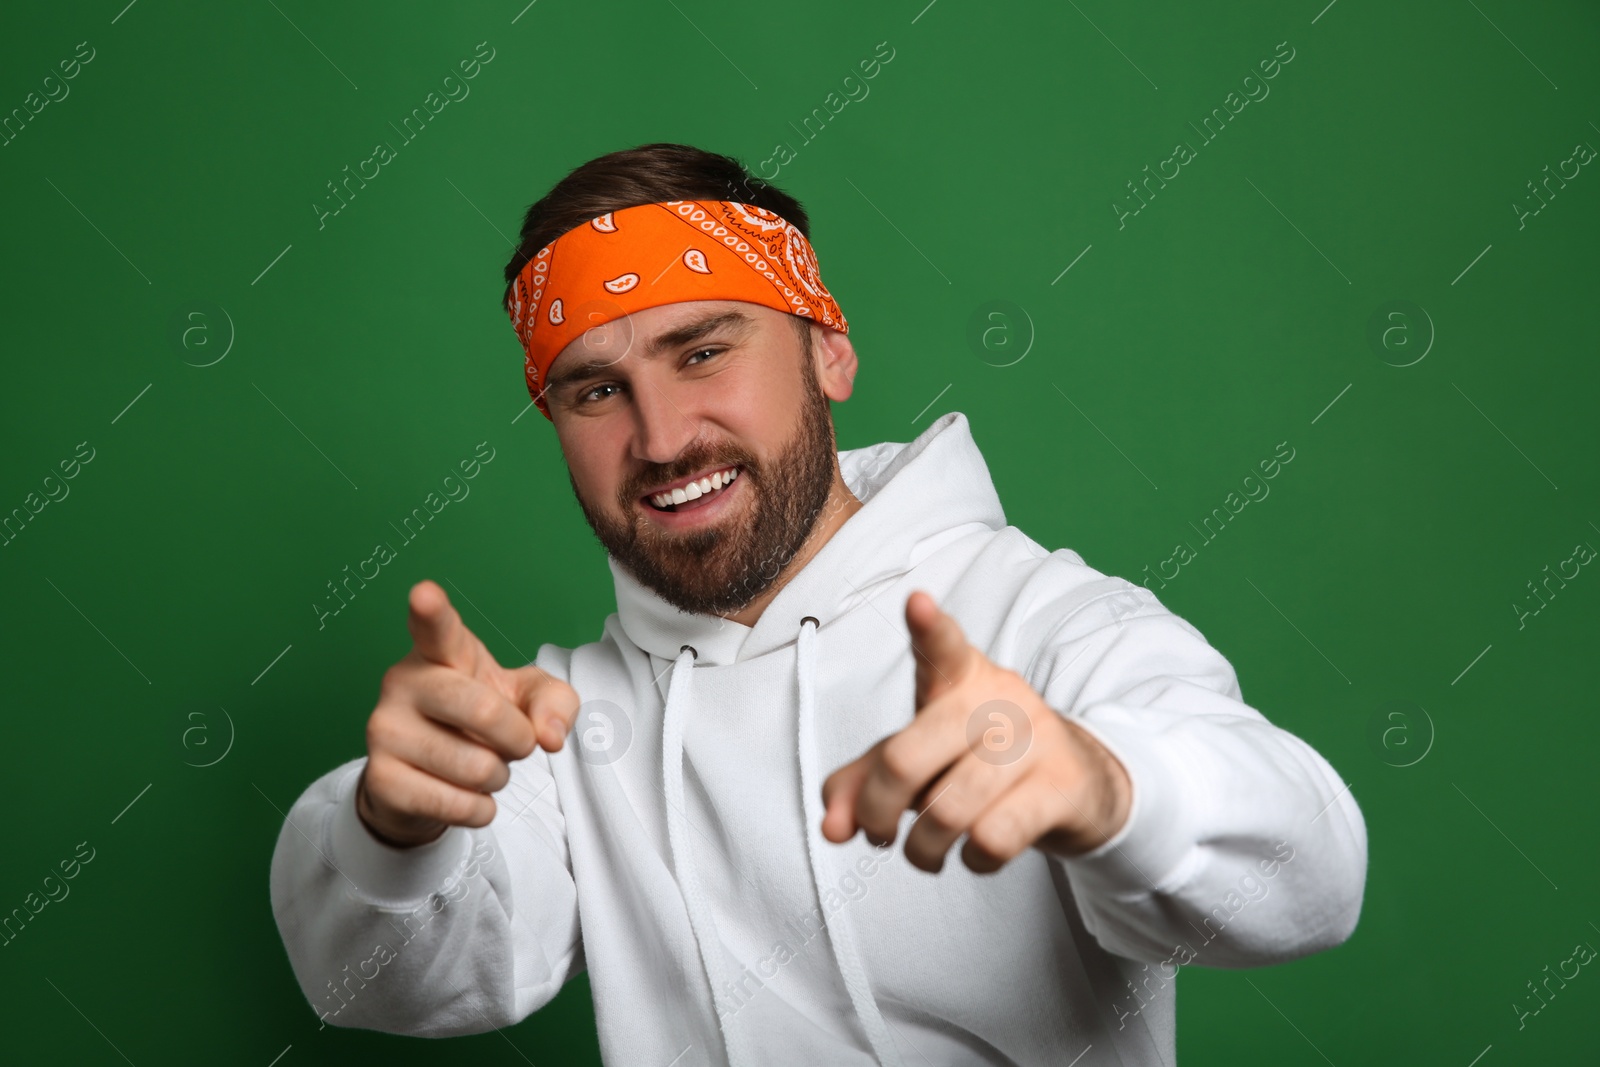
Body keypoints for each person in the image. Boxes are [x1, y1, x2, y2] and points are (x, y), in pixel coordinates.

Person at [268, 142, 1368, 1066]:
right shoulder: (555, 720)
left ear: (828, 351)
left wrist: (1107, 786)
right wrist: (396, 825)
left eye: (702, 350)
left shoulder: (1041, 622)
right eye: (595, 389)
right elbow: (390, 981)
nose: (659, 438)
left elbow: (1310, 877)